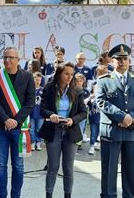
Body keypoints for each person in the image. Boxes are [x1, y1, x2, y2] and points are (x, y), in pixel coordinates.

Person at [0, 47, 35, 198]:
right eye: (5, 57)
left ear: (18, 60)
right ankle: (2, 195)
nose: (7, 60)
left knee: (18, 166)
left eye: (11, 57)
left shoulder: (28, 77)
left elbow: (30, 102)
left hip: (19, 128)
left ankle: (16, 195)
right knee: (1, 165)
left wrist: (15, 121)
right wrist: (5, 119)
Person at [38, 62, 87, 198]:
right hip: (53, 131)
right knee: (53, 167)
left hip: (71, 131)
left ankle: (67, 195)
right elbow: (42, 109)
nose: (69, 77)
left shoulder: (77, 91)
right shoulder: (48, 89)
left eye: (72, 74)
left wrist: (73, 120)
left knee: (68, 169)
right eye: (66, 73)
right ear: (59, 74)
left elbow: (83, 112)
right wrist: (51, 115)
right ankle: (49, 194)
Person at [96, 44, 134, 197]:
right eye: (118, 59)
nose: (122, 62)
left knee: (131, 172)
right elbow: (100, 101)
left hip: (131, 132)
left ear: (129, 60)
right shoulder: (104, 80)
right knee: (109, 171)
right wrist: (121, 116)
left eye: (125, 58)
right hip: (111, 132)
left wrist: (130, 118)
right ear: (112, 61)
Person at [87, 65, 109, 155]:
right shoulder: (94, 83)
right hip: (93, 115)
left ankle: (98, 143)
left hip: (103, 116)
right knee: (93, 131)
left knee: (102, 132)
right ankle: (92, 145)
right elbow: (86, 102)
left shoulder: (108, 84)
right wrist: (91, 97)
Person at [30, 72, 44, 151]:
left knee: (39, 128)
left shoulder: (43, 90)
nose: (37, 81)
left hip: (40, 114)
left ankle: (38, 142)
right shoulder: (30, 89)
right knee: (32, 128)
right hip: (32, 113)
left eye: (39, 80)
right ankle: (32, 142)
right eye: (36, 79)